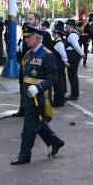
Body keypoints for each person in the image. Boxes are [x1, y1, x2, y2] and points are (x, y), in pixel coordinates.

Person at [11, 26, 64, 165]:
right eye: (25, 37)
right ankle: (56, 142)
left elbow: (53, 78)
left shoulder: (47, 55)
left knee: (28, 128)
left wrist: (39, 87)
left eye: (29, 37)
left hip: (39, 97)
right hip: (28, 95)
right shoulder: (29, 53)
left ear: (38, 38)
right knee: (38, 124)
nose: (26, 39)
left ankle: (24, 155)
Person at [14, 12, 54, 117]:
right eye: (27, 19)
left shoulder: (44, 34)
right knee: (23, 88)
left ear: (37, 21)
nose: (28, 20)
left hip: (38, 74)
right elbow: (21, 50)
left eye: (30, 19)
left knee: (37, 117)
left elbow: (49, 51)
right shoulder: (25, 33)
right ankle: (23, 108)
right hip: (26, 68)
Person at [65, 18, 84, 101]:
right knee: (72, 75)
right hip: (73, 55)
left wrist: (82, 54)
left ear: (71, 26)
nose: (66, 26)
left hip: (73, 56)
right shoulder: (73, 33)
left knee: (72, 75)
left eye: (67, 25)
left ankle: (74, 94)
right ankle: (74, 94)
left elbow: (76, 46)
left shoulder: (72, 34)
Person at [51, 21, 68, 107]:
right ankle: (59, 101)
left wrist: (65, 61)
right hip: (58, 64)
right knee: (58, 83)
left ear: (58, 34)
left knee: (58, 84)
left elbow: (63, 54)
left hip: (59, 64)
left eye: (54, 33)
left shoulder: (60, 43)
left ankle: (59, 102)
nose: (53, 34)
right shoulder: (57, 42)